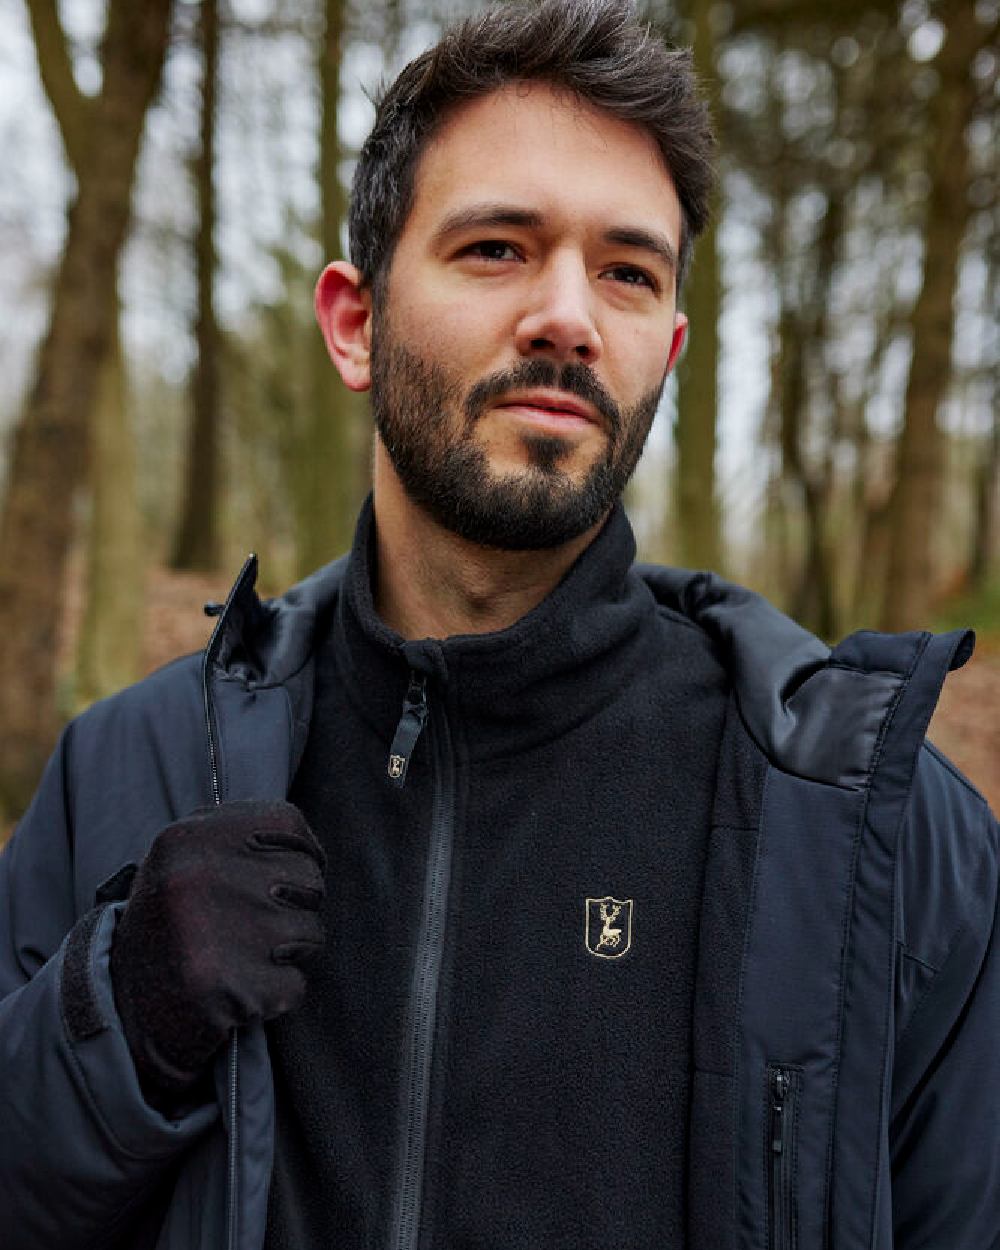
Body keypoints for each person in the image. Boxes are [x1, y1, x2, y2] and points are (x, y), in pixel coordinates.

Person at [1, 1, 997, 1247]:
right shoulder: (124, 776)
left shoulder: (871, 840)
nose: (569, 315)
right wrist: (116, 1013)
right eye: (496, 249)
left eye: (626, 272)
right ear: (355, 323)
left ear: (667, 351)